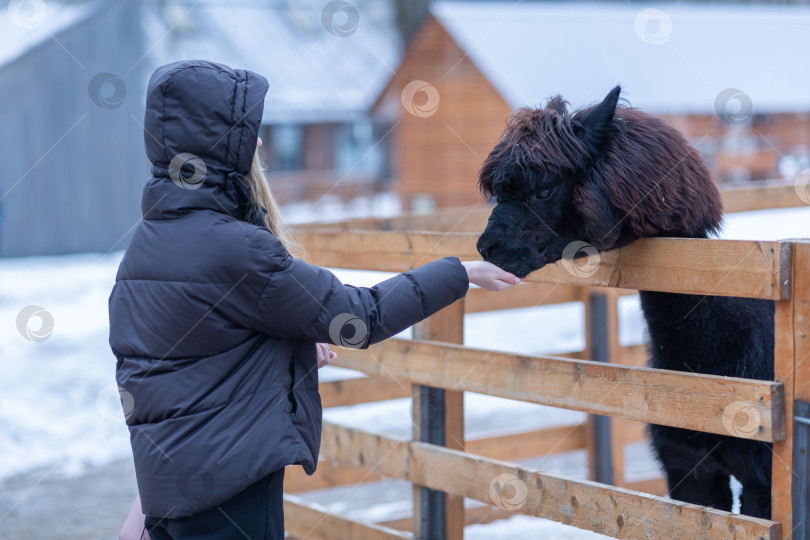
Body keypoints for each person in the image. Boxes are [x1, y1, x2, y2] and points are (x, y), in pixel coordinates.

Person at [108, 59, 519, 540]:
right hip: (229, 490)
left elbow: (193, 358)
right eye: (250, 131)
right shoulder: (236, 249)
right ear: (217, 144)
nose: (260, 143)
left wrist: (289, 349)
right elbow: (361, 316)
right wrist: (458, 272)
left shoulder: (146, 245)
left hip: (169, 488)